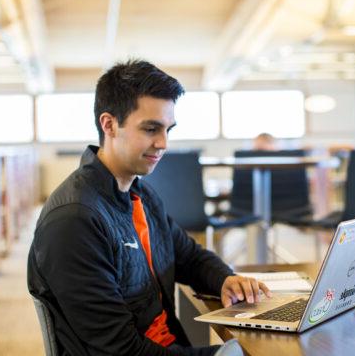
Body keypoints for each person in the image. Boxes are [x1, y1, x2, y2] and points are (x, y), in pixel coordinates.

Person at [27, 60, 271, 356]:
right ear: (109, 124)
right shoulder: (74, 221)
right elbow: (119, 350)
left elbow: (188, 256)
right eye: (151, 129)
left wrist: (224, 278)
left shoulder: (140, 195)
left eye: (168, 129)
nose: (163, 143)